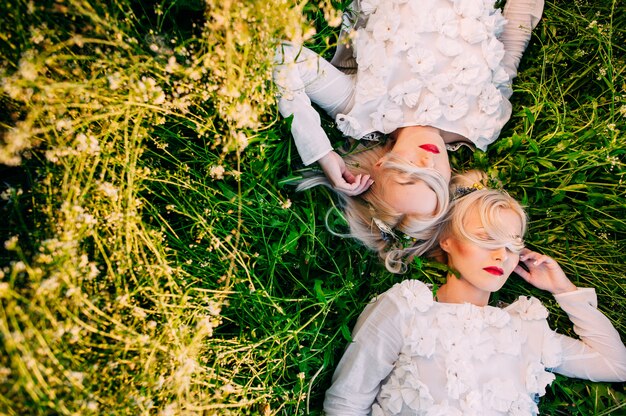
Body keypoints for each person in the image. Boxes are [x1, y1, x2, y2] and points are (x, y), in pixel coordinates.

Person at [273, 0, 545, 272]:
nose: (429, 163)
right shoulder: (483, 124)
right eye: (435, 181)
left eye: (410, 174)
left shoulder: (361, 110)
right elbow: (513, 41)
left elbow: (284, 58)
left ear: (381, 164)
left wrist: (322, 153)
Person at [323, 170, 626, 415]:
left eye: (512, 246)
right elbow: (345, 404)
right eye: (486, 239)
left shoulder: (525, 328)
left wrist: (563, 289)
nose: (501, 256)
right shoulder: (406, 309)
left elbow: (616, 365)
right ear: (448, 241)